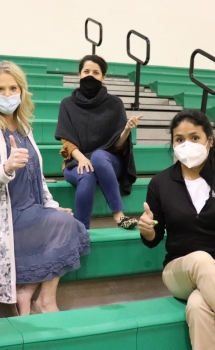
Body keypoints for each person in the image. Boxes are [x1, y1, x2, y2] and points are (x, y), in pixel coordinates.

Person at [0, 60, 90, 316]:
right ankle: (45, 300)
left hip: (29, 210)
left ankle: (28, 293)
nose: (8, 95)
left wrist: (51, 205)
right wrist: (5, 168)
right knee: (69, 226)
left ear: (22, 91)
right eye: (0, 89)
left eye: (13, 88)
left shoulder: (24, 128)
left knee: (67, 220)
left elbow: (36, 177)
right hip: (0, 217)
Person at [139, 109, 215, 349]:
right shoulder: (160, 182)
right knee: (201, 260)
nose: (187, 144)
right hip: (178, 269)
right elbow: (154, 238)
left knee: (198, 306)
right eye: (179, 139)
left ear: (209, 141)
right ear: (172, 144)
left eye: (195, 138)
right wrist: (147, 230)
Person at [55, 54, 142, 229]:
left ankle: (118, 215)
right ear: (79, 74)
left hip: (108, 162)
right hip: (76, 161)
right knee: (86, 176)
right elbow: (67, 140)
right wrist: (81, 159)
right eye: (86, 71)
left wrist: (126, 130)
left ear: (103, 77)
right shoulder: (67, 104)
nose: (90, 76)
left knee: (99, 156)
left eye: (96, 72)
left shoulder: (115, 103)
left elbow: (117, 146)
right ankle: (81, 230)